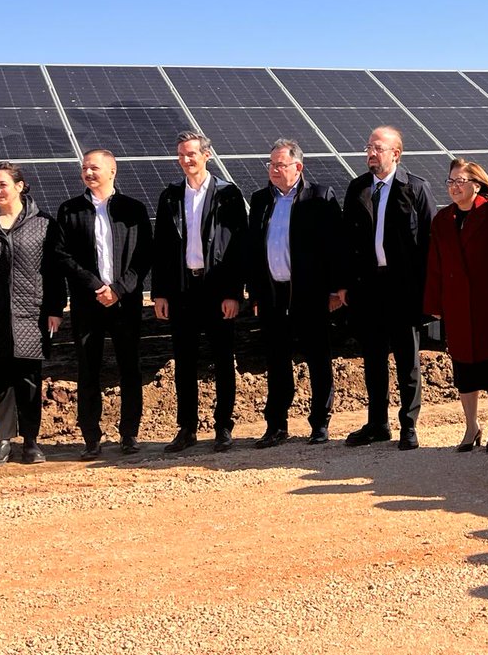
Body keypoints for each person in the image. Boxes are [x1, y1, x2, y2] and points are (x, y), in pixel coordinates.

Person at [0, 163, 65, 467]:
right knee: (0, 380)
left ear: (20, 186)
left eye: (2, 184)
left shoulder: (43, 223)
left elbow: (54, 273)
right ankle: (3, 442)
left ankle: (31, 442)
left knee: (30, 379)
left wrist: (55, 309)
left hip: (31, 312)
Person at [246, 139, 345, 447]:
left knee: (317, 357)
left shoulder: (318, 196)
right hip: (273, 294)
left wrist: (333, 290)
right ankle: (276, 425)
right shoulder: (261, 199)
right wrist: (256, 294)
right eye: (270, 165)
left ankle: (320, 423)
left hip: (309, 293)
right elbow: (253, 249)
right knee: (276, 360)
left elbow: (334, 247)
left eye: (280, 165)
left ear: (298, 167)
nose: (273, 170)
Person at [153, 131, 247, 453]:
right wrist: (161, 293)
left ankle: (223, 427)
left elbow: (238, 248)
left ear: (207, 155)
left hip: (217, 290)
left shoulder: (228, 195)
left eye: (191, 153)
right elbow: (162, 249)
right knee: (184, 363)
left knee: (223, 359)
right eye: (181, 154)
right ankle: (187, 428)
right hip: (182, 291)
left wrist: (234, 293)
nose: (185, 160)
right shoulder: (170, 197)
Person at [55, 149, 153, 458]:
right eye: (85, 168)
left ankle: (129, 434)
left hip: (125, 303)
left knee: (130, 369)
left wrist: (120, 290)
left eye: (94, 168)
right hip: (87, 304)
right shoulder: (70, 211)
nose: (88, 172)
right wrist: (95, 285)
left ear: (112, 171)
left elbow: (144, 256)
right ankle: (91, 438)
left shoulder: (133, 209)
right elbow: (62, 255)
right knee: (88, 370)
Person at [342, 126, 435, 450]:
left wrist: (426, 290)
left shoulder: (415, 189)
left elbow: (429, 244)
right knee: (373, 359)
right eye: (368, 146)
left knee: (407, 358)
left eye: (377, 147)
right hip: (368, 288)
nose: (370, 152)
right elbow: (347, 242)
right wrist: (345, 285)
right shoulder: (357, 189)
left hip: (403, 288)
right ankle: (377, 424)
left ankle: (408, 424)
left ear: (396, 153)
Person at [424, 158, 488, 452]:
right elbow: (435, 265)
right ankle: (470, 426)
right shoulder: (442, 221)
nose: (454, 187)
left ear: (476, 184)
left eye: (460, 181)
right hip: (457, 305)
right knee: (464, 368)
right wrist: (435, 302)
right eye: (450, 182)